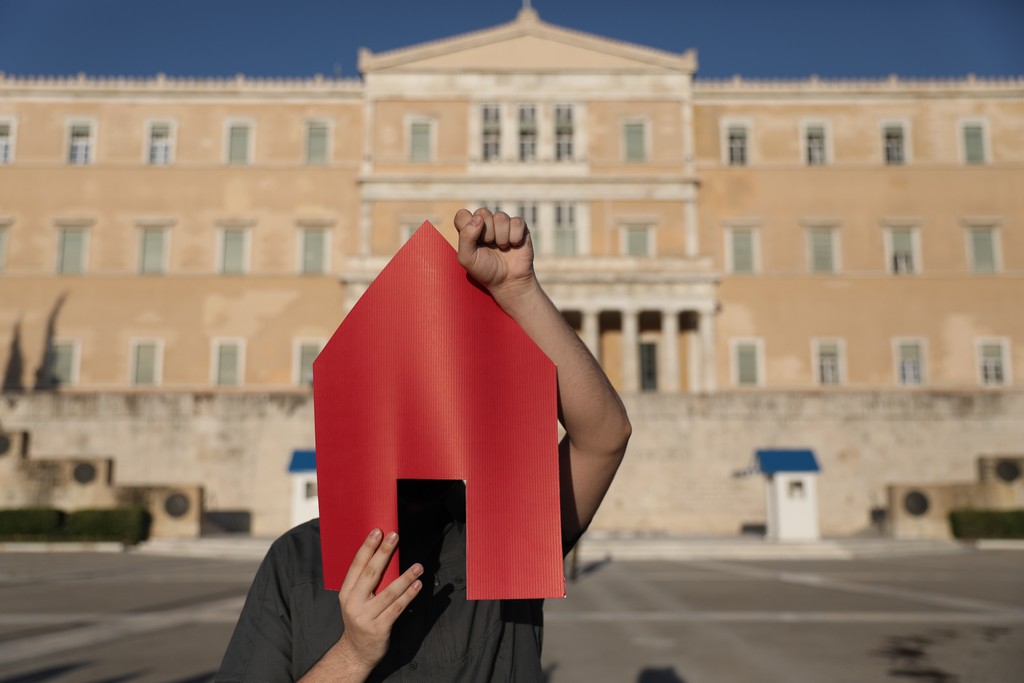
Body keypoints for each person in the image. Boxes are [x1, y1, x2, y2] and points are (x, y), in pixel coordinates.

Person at [215, 209, 631, 682]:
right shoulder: (295, 562)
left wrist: (519, 293)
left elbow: (603, 436)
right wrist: (353, 653)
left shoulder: (505, 527)